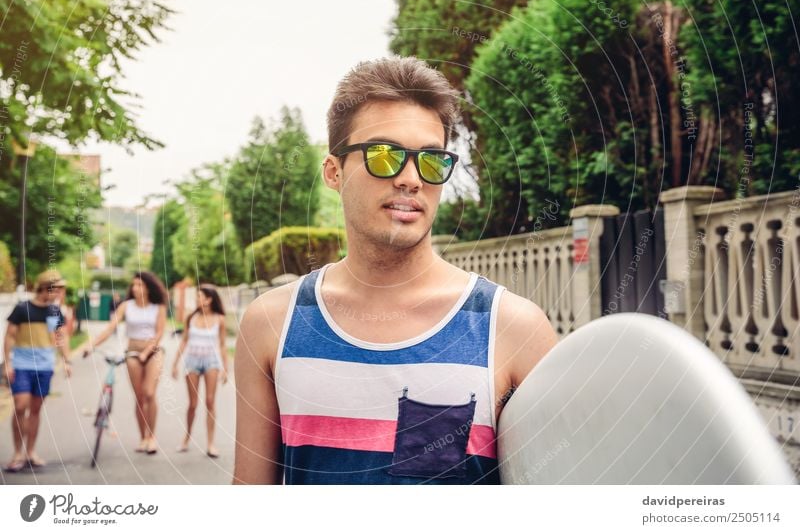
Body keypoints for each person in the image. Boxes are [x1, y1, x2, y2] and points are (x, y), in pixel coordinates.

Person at [233, 56, 558, 485]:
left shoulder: (514, 329)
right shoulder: (271, 324)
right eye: (384, 156)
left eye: (431, 160)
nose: (411, 178)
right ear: (334, 172)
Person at [84, 271, 167, 454]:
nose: (136, 288)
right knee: (139, 397)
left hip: (153, 353)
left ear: (148, 287)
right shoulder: (126, 306)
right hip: (133, 353)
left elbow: (159, 332)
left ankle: (152, 437)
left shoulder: (157, 307)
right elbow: (110, 328)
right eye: (134, 285)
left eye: (140, 285)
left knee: (149, 393)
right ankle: (143, 437)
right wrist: (91, 345)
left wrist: (146, 353)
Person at [3, 270, 71, 471]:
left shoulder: (53, 311)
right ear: (44, 288)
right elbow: (9, 337)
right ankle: (17, 453)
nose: (59, 292)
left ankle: (30, 452)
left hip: (44, 367)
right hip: (22, 366)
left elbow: (60, 337)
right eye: (56, 288)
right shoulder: (22, 309)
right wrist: (7, 363)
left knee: (35, 410)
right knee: (20, 405)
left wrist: (67, 361)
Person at [171, 285, 228, 458]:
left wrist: (226, 368)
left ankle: (211, 444)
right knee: (193, 404)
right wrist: (174, 364)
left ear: (210, 299)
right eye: (197, 297)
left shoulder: (220, 319)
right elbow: (183, 341)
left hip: (211, 361)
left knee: (210, 402)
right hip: (192, 361)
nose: (197, 299)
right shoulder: (191, 317)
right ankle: (186, 439)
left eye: (200, 296)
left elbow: (223, 345)